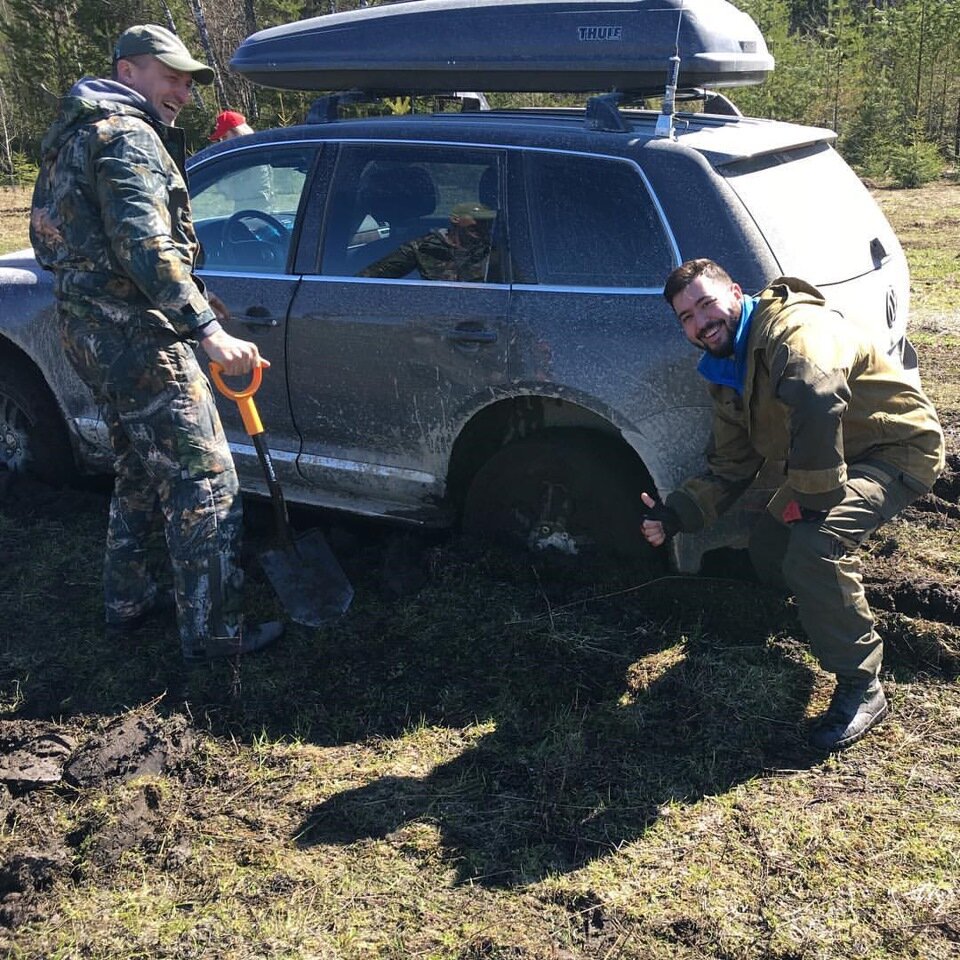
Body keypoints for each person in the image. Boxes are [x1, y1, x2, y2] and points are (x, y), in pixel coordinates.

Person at [29, 24, 283, 663]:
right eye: (170, 76)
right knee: (205, 478)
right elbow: (145, 247)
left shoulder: (71, 138)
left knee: (141, 469)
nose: (183, 93)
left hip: (87, 329)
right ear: (127, 72)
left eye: (190, 81)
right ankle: (217, 635)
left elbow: (56, 238)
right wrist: (208, 330)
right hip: (138, 337)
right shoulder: (127, 136)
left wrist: (190, 293)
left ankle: (129, 601)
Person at [641, 259, 944, 752]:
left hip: (893, 448)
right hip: (839, 452)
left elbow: (818, 394)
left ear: (735, 293)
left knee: (813, 544)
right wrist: (674, 515)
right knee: (770, 542)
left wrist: (815, 501)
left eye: (706, 303)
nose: (700, 322)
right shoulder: (725, 365)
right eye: (687, 317)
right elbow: (731, 464)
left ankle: (862, 685)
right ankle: (822, 609)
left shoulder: (794, 332)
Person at [360, 201, 496, 281]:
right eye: (478, 220)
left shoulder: (493, 252)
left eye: (487, 222)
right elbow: (367, 281)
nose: (482, 226)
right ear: (455, 219)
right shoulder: (422, 248)